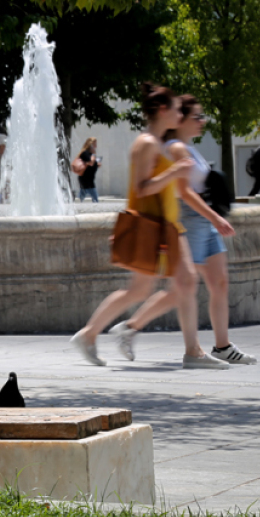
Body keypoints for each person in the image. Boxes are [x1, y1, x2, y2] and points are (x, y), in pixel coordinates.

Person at [70, 82, 228, 370]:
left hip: (167, 224)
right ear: (164, 110)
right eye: (178, 109)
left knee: (185, 281)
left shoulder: (156, 142)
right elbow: (141, 189)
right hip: (151, 225)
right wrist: (174, 172)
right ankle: (90, 333)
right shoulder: (146, 143)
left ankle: (192, 351)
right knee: (142, 290)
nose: (181, 114)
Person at [104, 96, 253, 366]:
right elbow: (183, 192)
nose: (202, 122)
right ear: (180, 119)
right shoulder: (173, 148)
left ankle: (223, 346)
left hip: (204, 221)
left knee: (219, 282)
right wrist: (215, 217)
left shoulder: (188, 148)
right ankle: (131, 327)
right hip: (191, 220)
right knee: (182, 288)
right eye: (197, 117)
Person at [75, 137, 101, 202]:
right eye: (94, 144)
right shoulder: (85, 153)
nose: (96, 146)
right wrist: (94, 155)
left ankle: (78, 205)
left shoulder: (90, 154)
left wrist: (97, 165)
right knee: (95, 199)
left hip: (89, 179)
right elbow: (90, 163)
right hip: (86, 179)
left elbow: (90, 166)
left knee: (82, 196)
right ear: (91, 145)